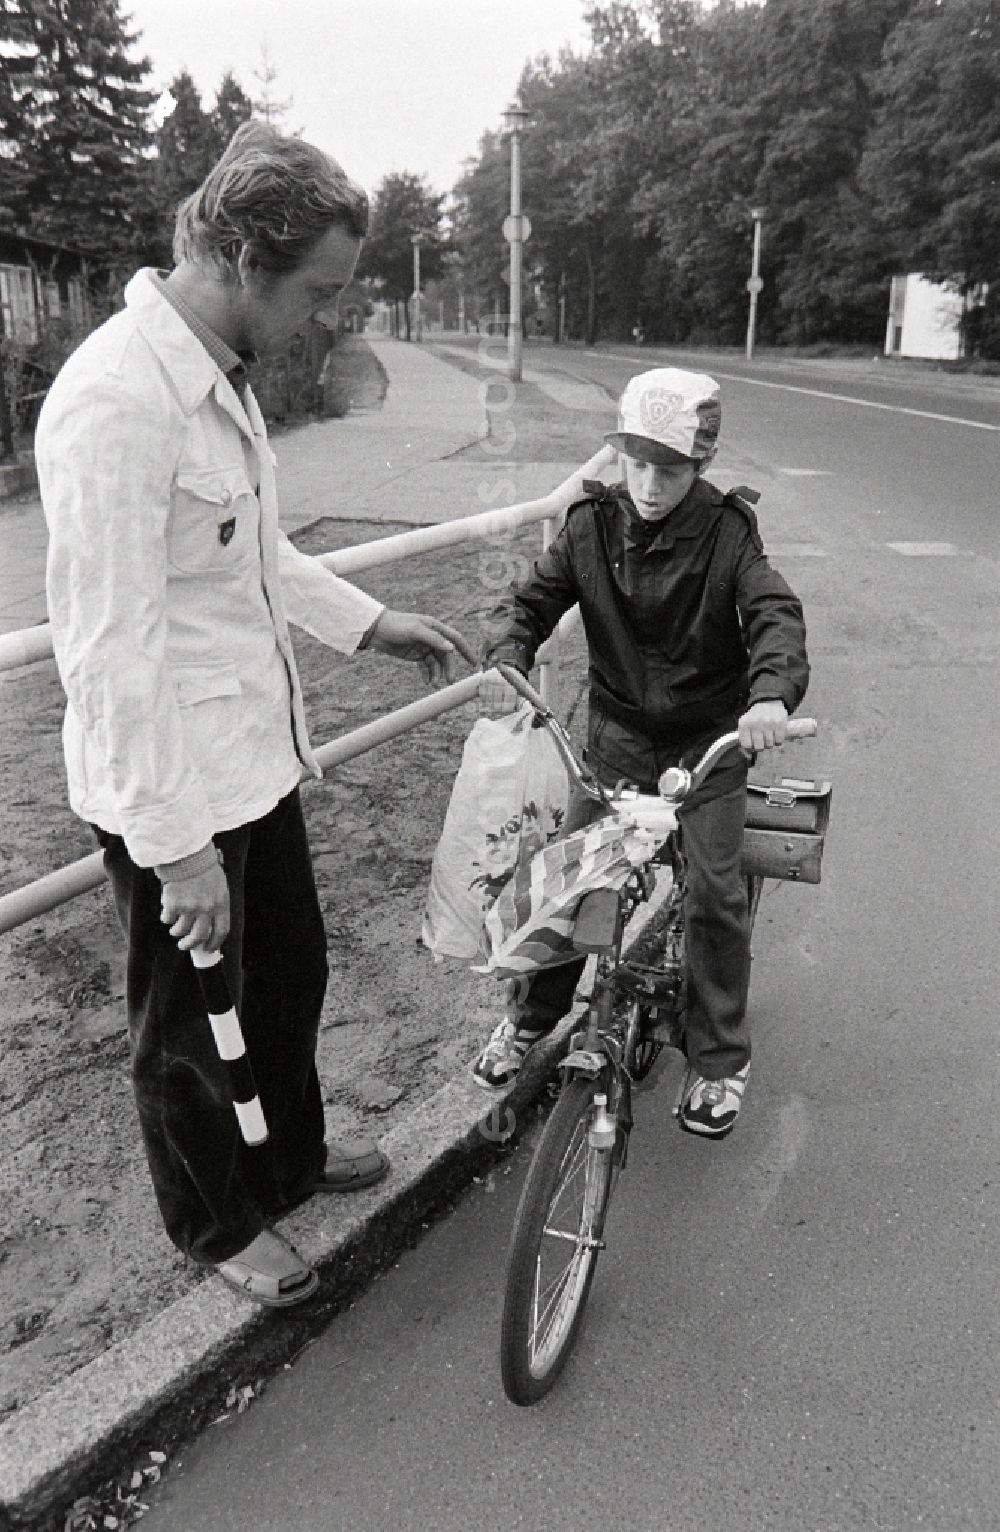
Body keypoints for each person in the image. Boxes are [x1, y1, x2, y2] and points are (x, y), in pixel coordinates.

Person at [35, 121, 461, 1308]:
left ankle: (285, 1152)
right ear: (237, 254)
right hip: (170, 788)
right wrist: (173, 849)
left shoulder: (214, 376)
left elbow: (250, 550)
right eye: (319, 290)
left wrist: (372, 621)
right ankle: (218, 1223)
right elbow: (107, 647)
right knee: (186, 1024)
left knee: (288, 979)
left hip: (253, 761)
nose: (328, 315)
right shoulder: (118, 402)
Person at [471, 367, 809, 1139]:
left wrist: (769, 697)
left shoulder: (728, 533)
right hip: (618, 739)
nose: (650, 484)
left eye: (671, 468)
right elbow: (529, 600)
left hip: (708, 746)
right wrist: (507, 655)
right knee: (569, 876)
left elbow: (773, 613)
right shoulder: (590, 524)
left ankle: (720, 1060)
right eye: (636, 463)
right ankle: (532, 1020)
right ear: (618, 458)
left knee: (714, 894)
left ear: (701, 466)